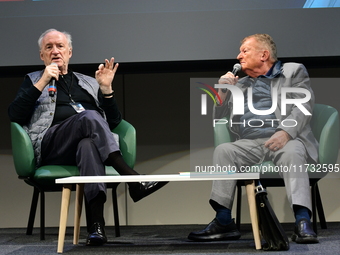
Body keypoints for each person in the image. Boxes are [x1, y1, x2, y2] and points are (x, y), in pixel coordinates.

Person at [8, 28, 167, 246]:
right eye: (49, 47)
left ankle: (96, 227)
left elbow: (112, 123)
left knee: (88, 145)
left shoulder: (89, 82)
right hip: (51, 145)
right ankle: (133, 179)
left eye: (60, 46)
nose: (55, 51)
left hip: (85, 146)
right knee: (88, 117)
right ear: (42, 55)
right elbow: (15, 115)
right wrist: (42, 82)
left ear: (70, 52)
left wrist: (106, 89)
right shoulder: (33, 79)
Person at [188, 34, 319, 244]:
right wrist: (222, 90)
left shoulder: (293, 71)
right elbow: (217, 117)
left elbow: (304, 107)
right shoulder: (240, 83)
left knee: (293, 152)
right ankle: (223, 222)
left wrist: (285, 132)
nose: (239, 56)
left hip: (286, 140)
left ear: (264, 55)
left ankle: (303, 221)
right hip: (249, 143)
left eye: (245, 51)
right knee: (224, 151)